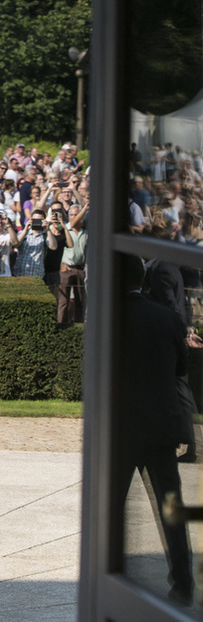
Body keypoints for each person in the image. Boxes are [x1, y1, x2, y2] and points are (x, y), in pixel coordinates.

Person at [116, 255, 195, 606]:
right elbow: (180, 367)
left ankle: (112, 576)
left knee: (111, 507)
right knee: (171, 508)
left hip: (122, 428)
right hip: (161, 426)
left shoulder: (109, 319)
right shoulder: (167, 318)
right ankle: (183, 583)